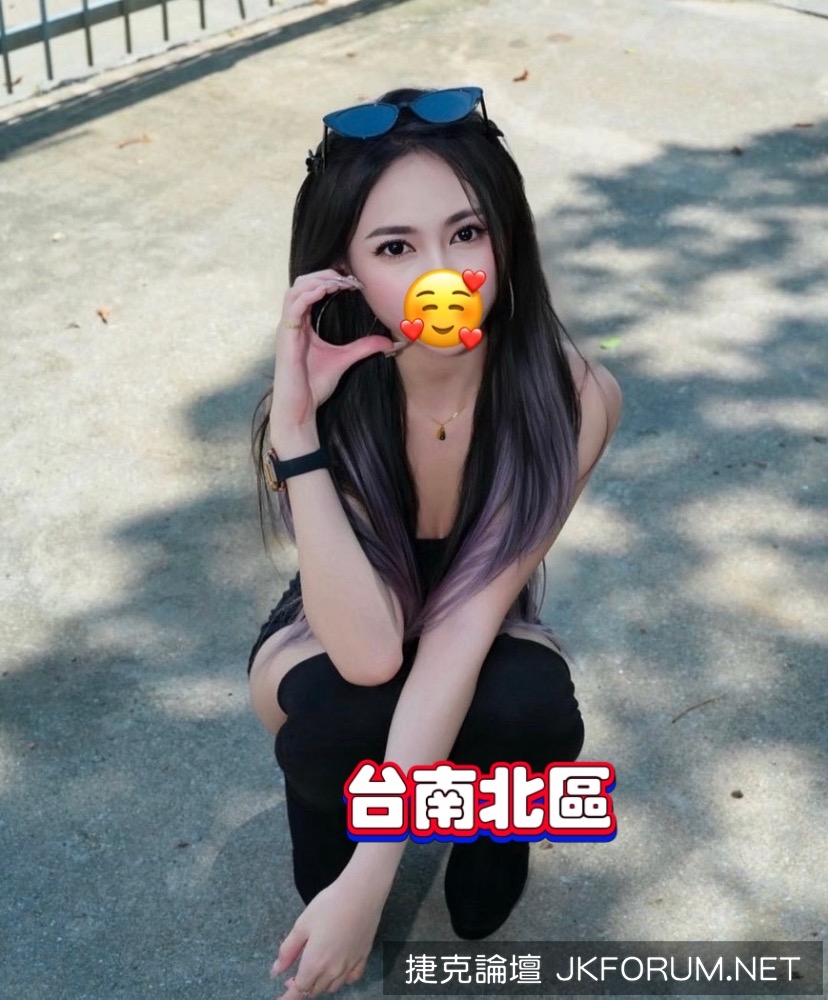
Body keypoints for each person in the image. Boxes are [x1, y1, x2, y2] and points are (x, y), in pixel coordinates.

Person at [247, 86, 622, 999]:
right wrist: (296, 433)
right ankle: (335, 816)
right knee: (337, 716)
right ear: (343, 271)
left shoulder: (572, 395)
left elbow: (462, 625)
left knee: (530, 708)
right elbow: (370, 654)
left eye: (467, 232)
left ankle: (488, 827)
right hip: (345, 620)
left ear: (505, 238)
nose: (443, 274)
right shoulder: (330, 395)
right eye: (395, 248)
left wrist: (375, 875)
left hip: (479, 612)